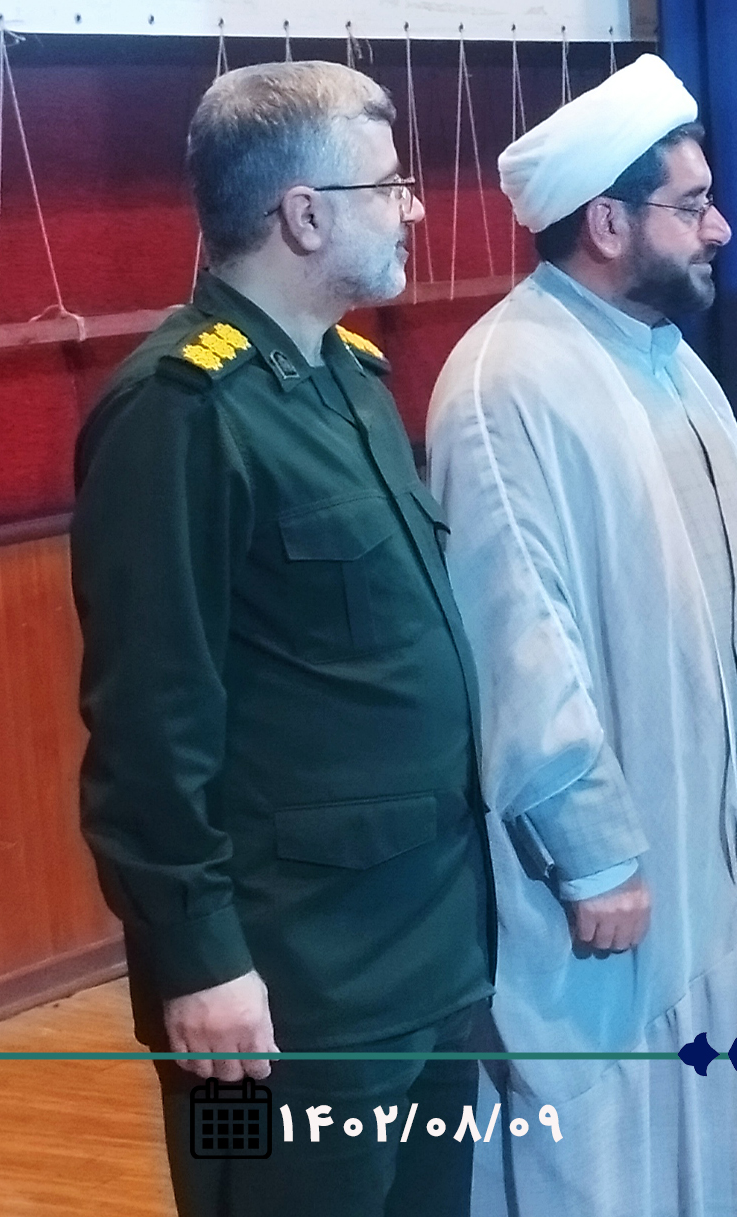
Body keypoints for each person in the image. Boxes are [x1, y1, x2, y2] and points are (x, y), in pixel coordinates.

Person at [425, 55, 737, 1217]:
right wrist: (594, 851)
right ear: (609, 221)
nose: (721, 227)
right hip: (623, 871)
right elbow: (521, 639)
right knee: (615, 1149)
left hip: (718, 845)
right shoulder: (508, 380)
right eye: (693, 204)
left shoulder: (667, 359)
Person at [71, 61, 490, 1217]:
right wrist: (198, 954)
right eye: (389, 185)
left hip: (421, 948)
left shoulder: (349, 375)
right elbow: (150, 719)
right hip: (283, 980)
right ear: (303, 213)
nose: (414, 207)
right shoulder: (178, 411)